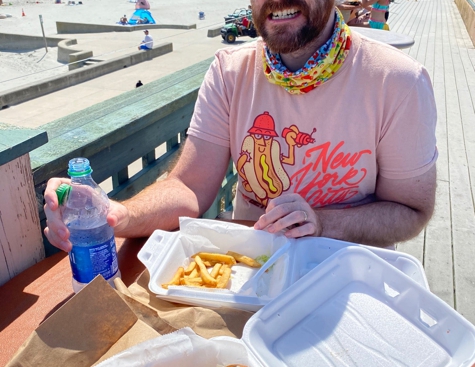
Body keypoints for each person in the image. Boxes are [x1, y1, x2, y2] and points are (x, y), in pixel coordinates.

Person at [44, 0, 437, 251]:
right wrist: (117, 215)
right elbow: (189, 187)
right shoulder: (231, 71)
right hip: (250, 275)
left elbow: (411, 210)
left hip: (350, 280)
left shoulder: (398, 81)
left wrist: (321, 222)